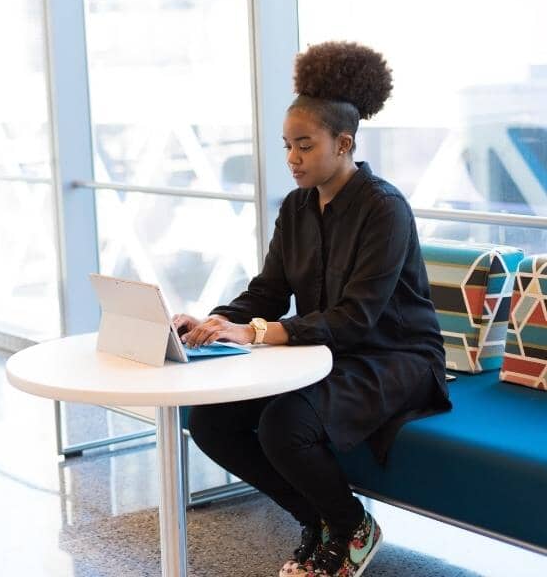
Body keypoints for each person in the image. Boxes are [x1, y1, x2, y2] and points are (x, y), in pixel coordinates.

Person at [172, 41, 451, 577]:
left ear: (343, 144)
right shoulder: (297, 207)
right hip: (324, 352)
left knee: (285, 423)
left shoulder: (385, 209)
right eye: (287, 146)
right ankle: (322, 521)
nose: (291, 159)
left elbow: (356, 318)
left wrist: (255, 333)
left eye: (304, 145)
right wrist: (214, 321)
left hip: (396, 359)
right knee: (212, 422)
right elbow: (268, 290)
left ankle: (352, 528)